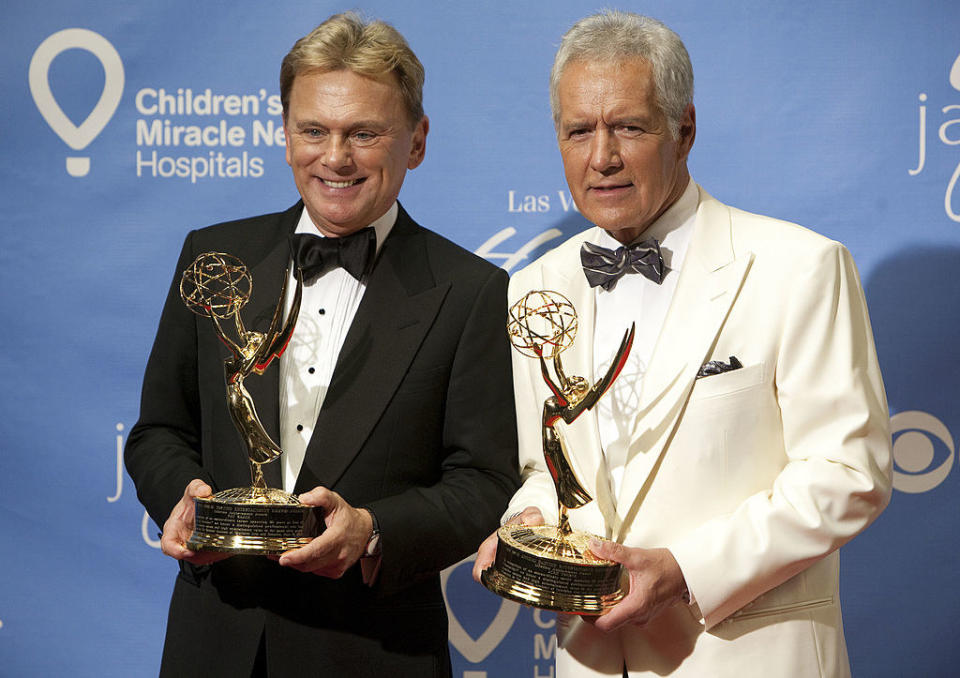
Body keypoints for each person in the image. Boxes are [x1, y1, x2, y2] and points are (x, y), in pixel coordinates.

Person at [474, 11, 891, 678]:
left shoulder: (798, 266)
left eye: (629, 127)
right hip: (593, 660)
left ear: (684, 129)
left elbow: (849, 473)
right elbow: (539, 464)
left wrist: (685, 571)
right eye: (579, 131)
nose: (601, 156)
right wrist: (527, 526)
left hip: (748, 657)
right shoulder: (533, 286)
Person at [126, 12, 518, 677]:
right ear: (284, 135)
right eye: (314, 130)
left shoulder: (471, 290)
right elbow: (159, 431)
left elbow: (483, 481)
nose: (335, 158)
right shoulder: (215, 256)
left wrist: (374, 529)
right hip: (213, 644)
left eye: (365, 133)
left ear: (416, 141)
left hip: (371, 650)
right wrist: (186, 499)